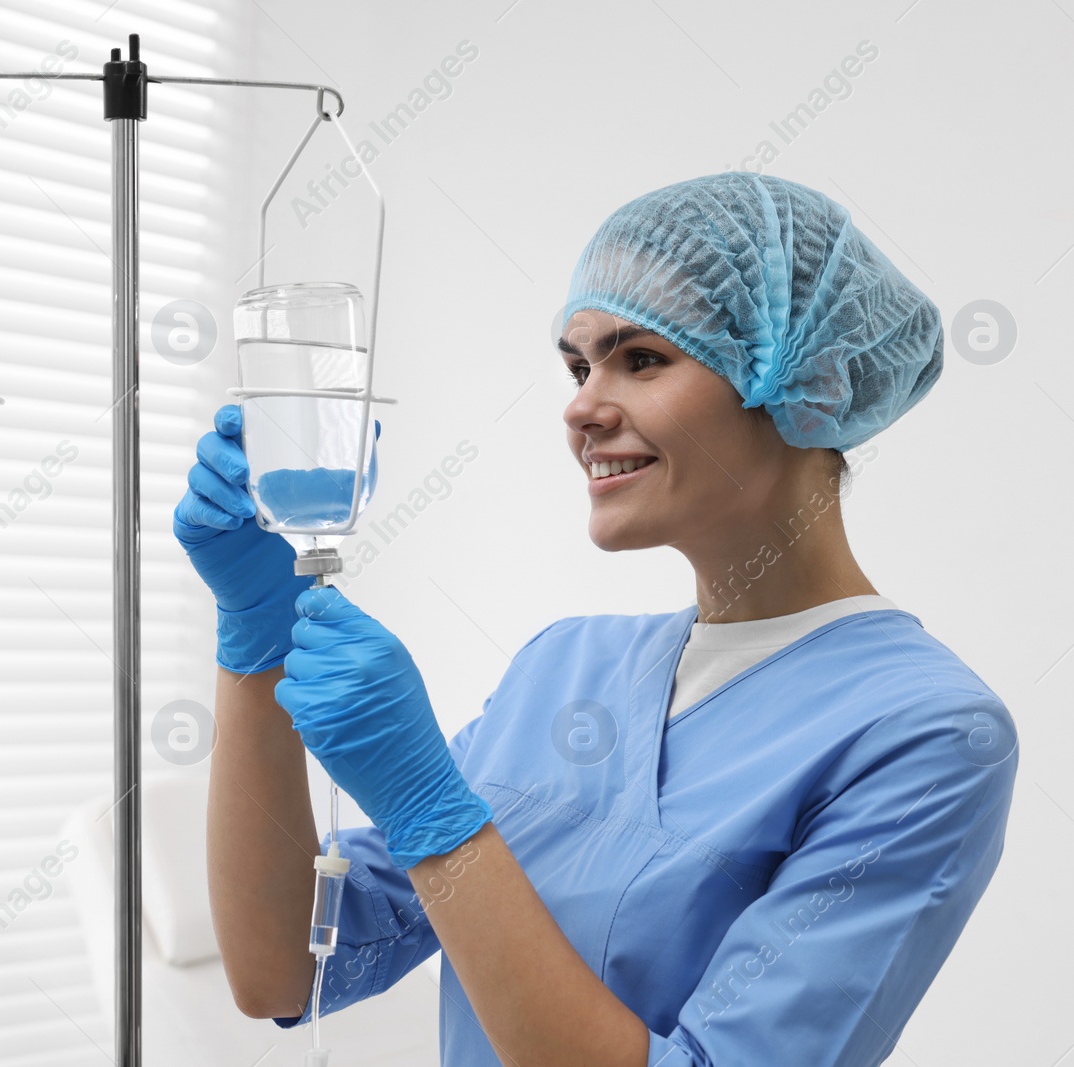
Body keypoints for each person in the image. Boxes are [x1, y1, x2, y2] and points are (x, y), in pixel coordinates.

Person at [178, 171, 1018, 1066]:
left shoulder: (926, 733)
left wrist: (436, 814)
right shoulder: (565, 665)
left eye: (642, 359)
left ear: (802, 383)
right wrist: (254, 636)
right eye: (579, 366)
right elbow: (282, 970)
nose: (580, 407)